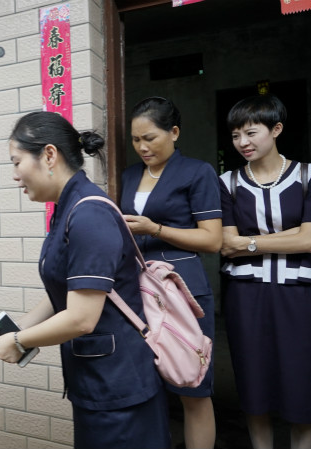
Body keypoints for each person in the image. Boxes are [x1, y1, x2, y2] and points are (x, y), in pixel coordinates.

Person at [0, 111, 170, 449]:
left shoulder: (88, 213)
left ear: (49, 155)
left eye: (17, 162)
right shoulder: (68, 207)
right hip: (95, 382)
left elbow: (82, 318)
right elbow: (69, 288)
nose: (15, 176)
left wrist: (21, 340)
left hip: (118, 390)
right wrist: (19, 329)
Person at [219, 94, 311, 449]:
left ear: (276, 129)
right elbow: (225, 244)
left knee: (305, 386)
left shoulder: (310, 175)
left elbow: (310, 242)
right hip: (246, 296)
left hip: (302, 295)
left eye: (251, 133)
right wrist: (295, 234)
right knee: (254, 386)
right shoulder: (227, 182)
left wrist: (250, 243)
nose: (243, 143)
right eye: (236, 136)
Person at [120, 97, 221, 449]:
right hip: (138, 290)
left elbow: (212, 239)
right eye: (135, 140)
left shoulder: (197, 171)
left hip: (183, 291)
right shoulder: (129, 175)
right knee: (147, 387)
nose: (142, 147)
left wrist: (155, 228)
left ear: (174, 132)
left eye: (150, 138)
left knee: (191, 384)